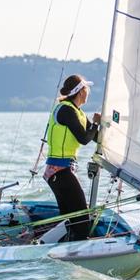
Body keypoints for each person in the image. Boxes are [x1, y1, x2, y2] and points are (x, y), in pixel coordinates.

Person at [43, 75, 101, 241]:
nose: (88, 92)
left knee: (72, 218)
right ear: (81, 91)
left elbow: (93, 136)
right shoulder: (66, 110)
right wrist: (95, 124)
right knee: (82, 217)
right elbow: (84, 138)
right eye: (87, 89)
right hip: (60, 171)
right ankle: (79, 247)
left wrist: (103, 126)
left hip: (60, 172)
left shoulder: (77, 112)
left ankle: (67, 247)